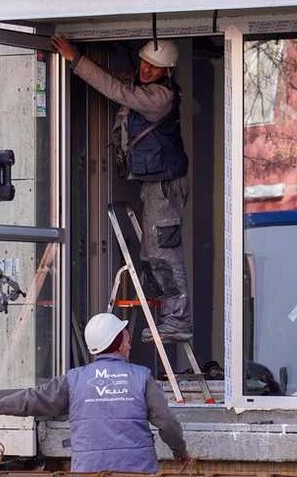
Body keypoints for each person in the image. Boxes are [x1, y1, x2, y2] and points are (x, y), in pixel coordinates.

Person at [0, 312, 191, 477]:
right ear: (119, 344)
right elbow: (168, 423)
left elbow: (34, 399)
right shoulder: (141, 377)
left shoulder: (74, 380)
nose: (130, 344)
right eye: (126, 338)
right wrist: (179, 452)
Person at [51, 34, 193, 342]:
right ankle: (171, 314)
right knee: (154, 248)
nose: (145, 70)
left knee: (163, 249)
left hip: (164, 183)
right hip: (157, 181)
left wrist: (76, 60)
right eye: (144, 62)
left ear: (166, 72)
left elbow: (117, 91)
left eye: (154, 68)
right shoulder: (148, 87)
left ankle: (178, 319)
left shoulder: (160, 98)